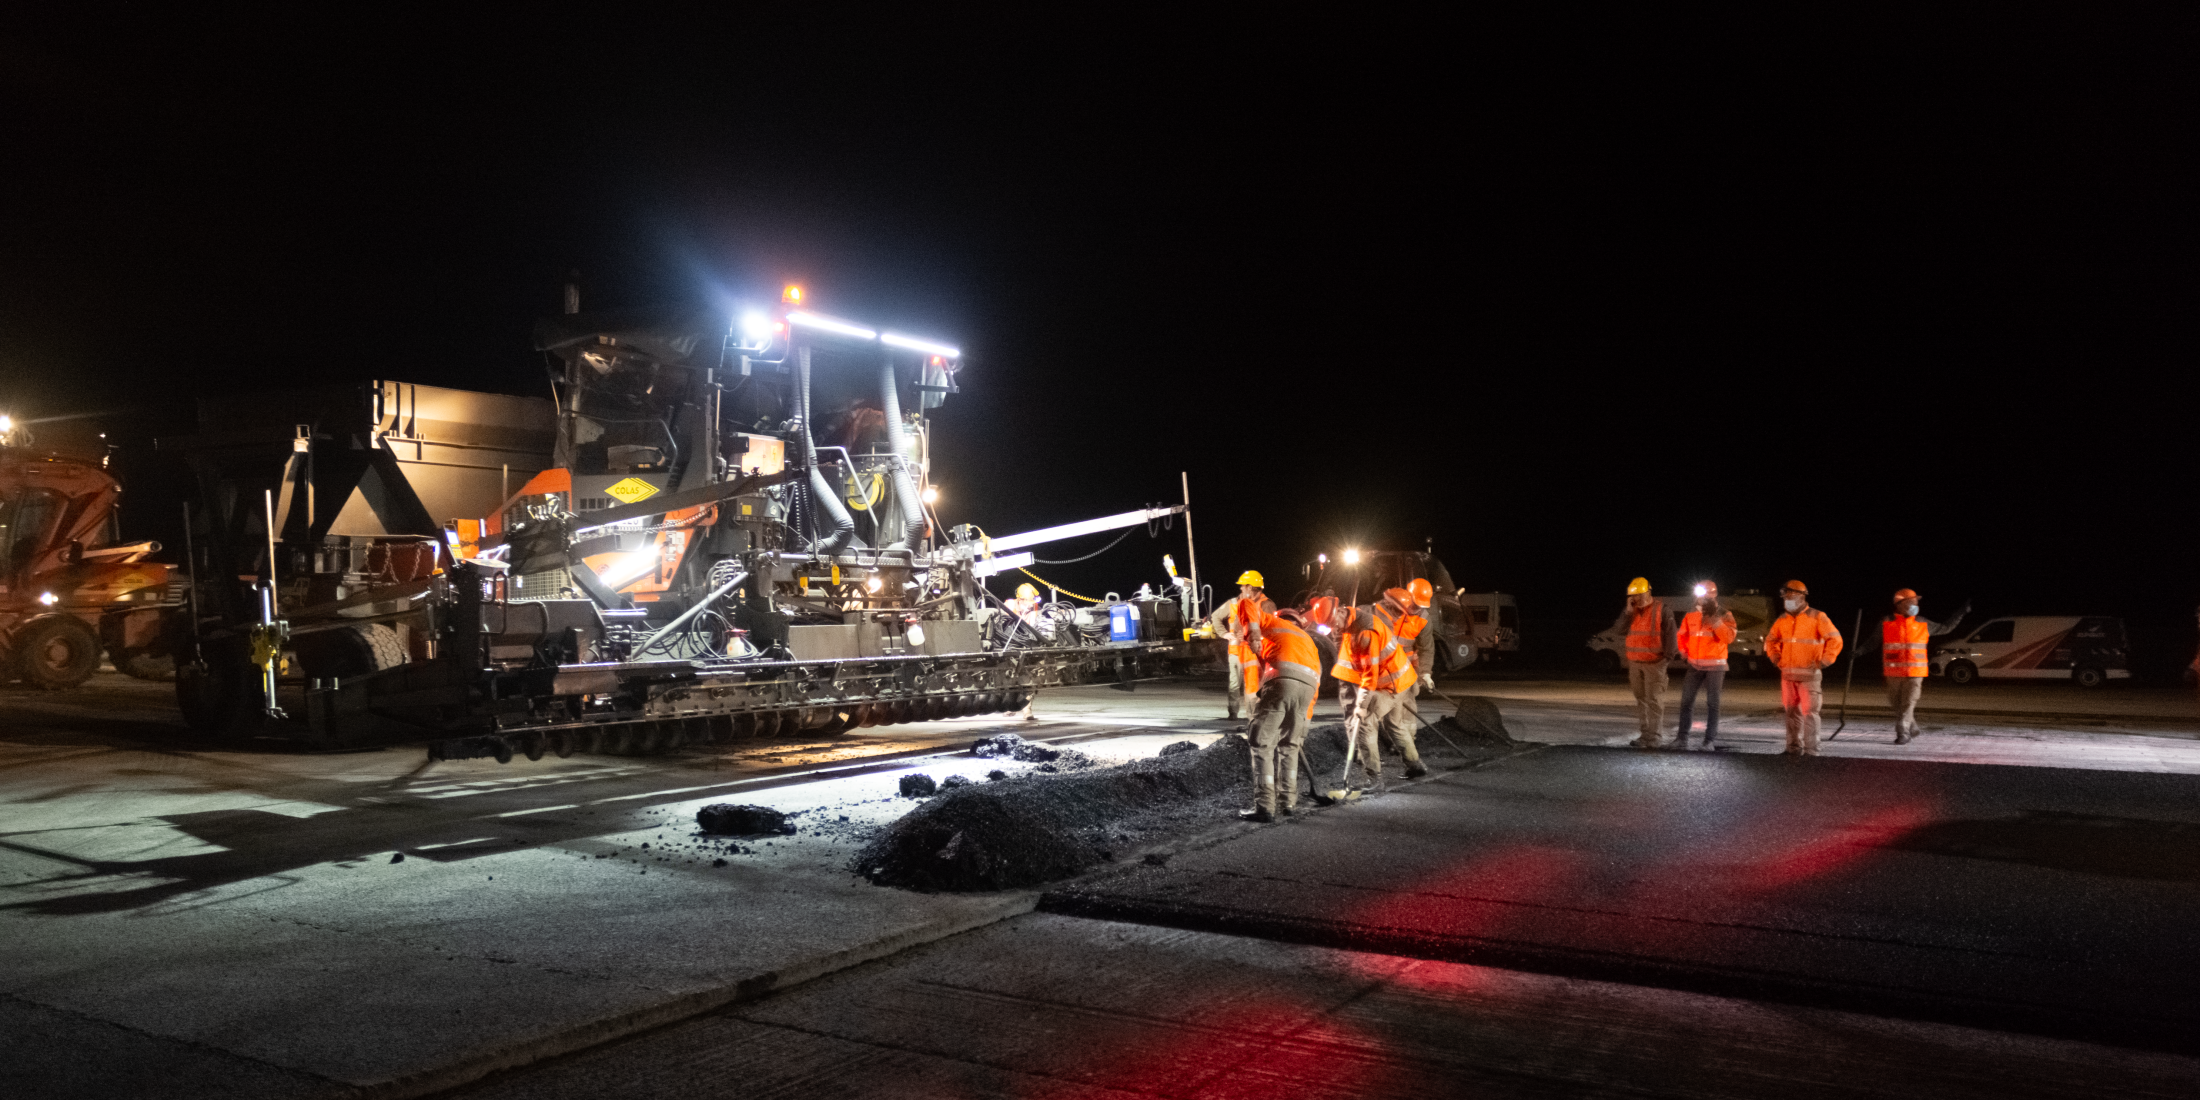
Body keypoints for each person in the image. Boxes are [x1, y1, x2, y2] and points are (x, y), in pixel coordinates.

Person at [1239, 606, 1323, 822]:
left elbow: (1246, 605)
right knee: (1290, 746)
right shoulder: (1309, 642)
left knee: (1261, 743)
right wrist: (1304, 723)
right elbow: (1315, 685)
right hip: (1306, 691)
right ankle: (1288, 803)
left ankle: (1265, 806)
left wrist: (1254, 635)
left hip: (1281, 682)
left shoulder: (1274, 624)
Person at [1331, 603, 1421, 790]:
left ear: (1340, 611)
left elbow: (1370, 675)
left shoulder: (1366, 632)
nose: (1334, 627)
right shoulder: (1354, 622)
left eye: (1333, 622)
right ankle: (1415, 766)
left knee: (1364, 723)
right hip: (1401, 680)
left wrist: (1361, 706)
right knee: (1394, 724)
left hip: (1391, 685)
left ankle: (1374, 779)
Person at [1765, 579, 1843, 755]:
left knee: (1810, 714)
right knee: (1791, 713)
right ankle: (1792, 748)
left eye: (1789, 595)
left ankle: (1811, 751)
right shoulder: (1783, 619)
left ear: (1801, 596)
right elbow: (1771, 640)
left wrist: (1825, 660)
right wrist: (1776, 657)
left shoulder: (1817, 617)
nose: (1786, 599)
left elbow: (1835, 639)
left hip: (1810, 676)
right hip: (1788, 675)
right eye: (1785, 596)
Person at [1881, 589, 1966, 744]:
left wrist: (1960, 613)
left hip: (1915, 672)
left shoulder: (1923, 623)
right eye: (1912, 602)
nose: (1916, 605)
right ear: (1899, 605)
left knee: (1908, 703)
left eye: (1916, 602)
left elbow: (1946, 628)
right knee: (1897, 705)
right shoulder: (1887, 622)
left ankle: (1903, 733)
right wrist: (1859, 651)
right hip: (1893, 673)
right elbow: (1874, 640)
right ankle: (1912, 728)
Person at [1370, 583, 1435, 777]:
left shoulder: (1423, 618)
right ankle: (1403, 752)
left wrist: (1425, 673)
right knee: (1390, 716)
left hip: (1404, 671)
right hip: (1387, 671)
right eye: (1415, 604)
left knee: (1403, 710)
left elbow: (1427, 648)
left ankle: (1405, 745)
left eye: (1421, 606)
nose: (1417, 609)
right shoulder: (1390, 609)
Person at [1609, 577, 1676, 748]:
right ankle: (1645, 735)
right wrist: (1627, 612)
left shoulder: (1662, 610)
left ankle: (1654, 737)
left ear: (1648, 592)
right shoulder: (1631, 612)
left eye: (1639, 595)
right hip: (1635, 663)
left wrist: (1665, 660)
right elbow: (1618, 630)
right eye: (1633, 596)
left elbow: (1671, 636)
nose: (1636, 598)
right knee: (1641, 700)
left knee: (1654, 700)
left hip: (1655, 663)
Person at [1674, 581, 1737, 750]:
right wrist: (1684, 652)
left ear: (1713, 596)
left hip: (1715, 666)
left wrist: (1714, 619)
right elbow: (1681, 635)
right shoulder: (1691, 614)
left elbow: (1729, 637)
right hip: (1694, 665)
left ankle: (1709, 741)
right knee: (1686, 702)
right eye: (1699, 595)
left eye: (1705, 595)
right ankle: (1681, 739)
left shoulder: (1725, 614)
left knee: (1712, 704)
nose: (1701, 599)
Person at [1226, 571, 1276, 725]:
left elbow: (1269, 630)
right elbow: (1238, 627)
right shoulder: (1245, 604)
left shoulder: (1266, 605)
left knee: (1255, 690)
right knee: (1250, 689)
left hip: (1257, 654)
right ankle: (1253, 723)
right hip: (1247, 654)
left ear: (1250, 587)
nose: (1241, 589)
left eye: (1243, 586)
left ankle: (1256, 723)